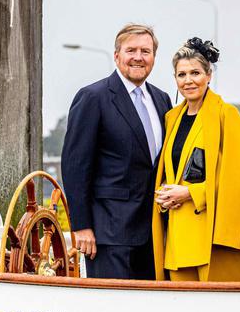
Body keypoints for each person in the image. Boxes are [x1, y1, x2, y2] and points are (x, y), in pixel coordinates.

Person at [61, 24, 173, 279]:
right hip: (108, 233)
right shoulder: (93, 97)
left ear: (154, 57)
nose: (138, 57)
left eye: (145, 51)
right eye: (130, 50)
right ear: (116, 56)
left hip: (155, 232)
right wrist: (81, 227)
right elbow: (75, 166)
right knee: (112, 309)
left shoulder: (162, 100)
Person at [151, 38, 240, 281]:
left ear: (209, 75)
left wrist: (190, 194)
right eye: (181, 74)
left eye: (195, 73)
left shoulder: (226, 115)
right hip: (177, 240)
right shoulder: (171, 118)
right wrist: (164, 196)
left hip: (210, 240)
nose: (188, 80)